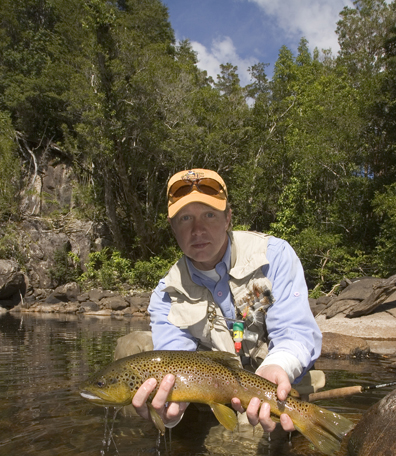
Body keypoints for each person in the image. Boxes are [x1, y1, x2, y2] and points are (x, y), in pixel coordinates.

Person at [131, 168, 322, 434]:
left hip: (271, 382)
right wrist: (168, 414)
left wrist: (279, 366)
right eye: (185, 218)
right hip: (212, 392)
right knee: (131, 348)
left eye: (209, 215)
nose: (198, 229)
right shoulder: (166, 294)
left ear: (228, 218)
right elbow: (177, 359)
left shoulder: (274, 256)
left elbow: (296, 332)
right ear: (172, 227)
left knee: (244, 452)